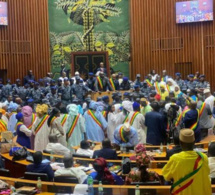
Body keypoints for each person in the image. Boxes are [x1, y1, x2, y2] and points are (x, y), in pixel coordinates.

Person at [162, 129, 211, 195]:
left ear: (180, 143)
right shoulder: (203, 157)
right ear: (194, 143)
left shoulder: (175, 159)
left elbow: (166, 176)